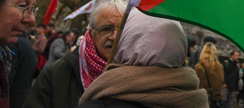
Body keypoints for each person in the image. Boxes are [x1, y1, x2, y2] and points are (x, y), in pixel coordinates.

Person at [77, 7, 208, 107]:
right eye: (106, 29)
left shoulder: (101, 102)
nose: (113, 36)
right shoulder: (197, 101)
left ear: (126, 43)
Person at [25, 0, 126, 108]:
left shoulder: (138, 74)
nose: (114, 37)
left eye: (122, 30)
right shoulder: (55, 74)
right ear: (92, 33)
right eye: (106, 29)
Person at [194, 42, 224, 107]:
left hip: (203, 102)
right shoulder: (220, 67)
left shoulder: (199, 68)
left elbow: (195, 86)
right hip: (216, 101)